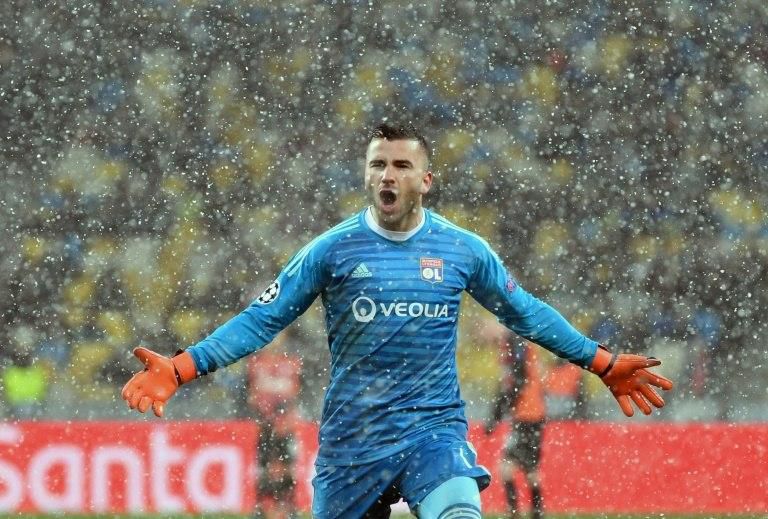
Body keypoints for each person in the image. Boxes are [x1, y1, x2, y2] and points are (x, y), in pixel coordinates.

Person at [121, 122, 674, 519]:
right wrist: (181, 367)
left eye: (401, 165)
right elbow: (260, 321)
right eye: (378, 164)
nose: (388, 174)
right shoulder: (330, 251)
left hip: (432, 428)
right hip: (351, 441)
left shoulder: (463, 251)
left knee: (460, 510)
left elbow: (524, 312)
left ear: (425, 180)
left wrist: (600, 362)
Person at [485, 329, 548, 519]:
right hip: (530, 415)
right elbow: (510, 382)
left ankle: (519, 513)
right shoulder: (512, 342)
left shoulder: (515, 341)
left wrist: (499, 412)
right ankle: (534, 513)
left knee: (508, 468)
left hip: (527, 415)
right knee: (528, 469)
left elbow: (518, 379)